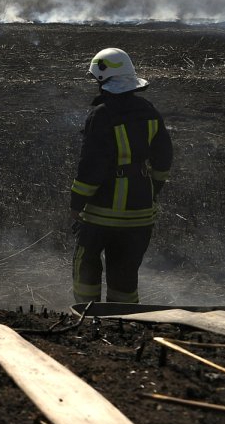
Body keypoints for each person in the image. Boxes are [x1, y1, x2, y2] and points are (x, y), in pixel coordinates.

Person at [69, 48, 173, 304]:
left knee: (86, 266)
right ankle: (123, 322)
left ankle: (87, 316)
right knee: (125, 274)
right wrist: (152, 189)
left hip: (101, 213)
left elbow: (92, 166)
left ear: (103, 80)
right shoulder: (149, 111)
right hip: (140, 212)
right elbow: (164, 159)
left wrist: (76, 203)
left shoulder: (101, 115)